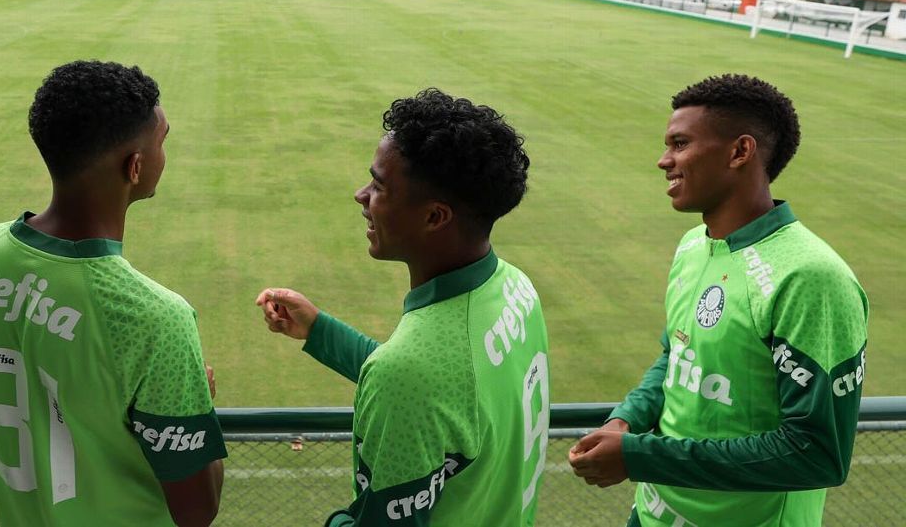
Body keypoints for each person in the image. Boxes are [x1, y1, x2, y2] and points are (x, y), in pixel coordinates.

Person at [568, 74, 868, 526]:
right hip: (653, 515)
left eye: (680, 144)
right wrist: (626, 420)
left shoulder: (811, 277)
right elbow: (677, 355)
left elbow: (817, 454)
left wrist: (640, 456)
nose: (663, 160)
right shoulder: (694, 245)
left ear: (740, 151)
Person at [0, 60, 225, 526]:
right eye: (162, 141)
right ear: (135, 166)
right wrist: (198, 403)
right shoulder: (156, 317)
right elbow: (197, 510)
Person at [257, 89, 548, 526]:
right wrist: (320, 331)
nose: (361, 196)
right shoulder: (515, 287)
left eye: (379, 186)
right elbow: (442, 392)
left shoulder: (411, 371)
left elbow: (414, 380)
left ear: (434, 217)